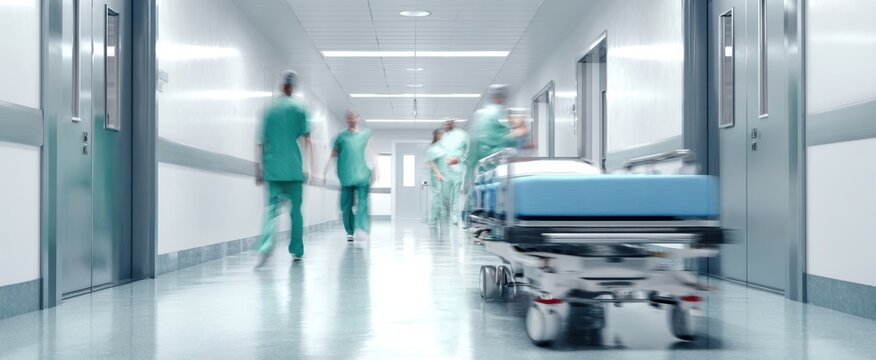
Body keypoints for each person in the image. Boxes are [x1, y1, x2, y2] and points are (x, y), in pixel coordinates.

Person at [254, 70, 313, 267]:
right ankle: (297, 251)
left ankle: (266, 245)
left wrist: (258, 170)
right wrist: (310, 168)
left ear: (281, 86)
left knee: (271, 210)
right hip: (293, 169)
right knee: (296, 212)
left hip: (272, 169)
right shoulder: (300, 108)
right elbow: (307, 140)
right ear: (293, 87)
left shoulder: (269, 110)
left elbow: (260, 142)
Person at [460, 84, 526, 227]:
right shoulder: (501, 112)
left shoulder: (481, 115)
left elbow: (474, 142)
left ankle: (468, 218)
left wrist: (469, 174)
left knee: (480, 187)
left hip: (481, 159)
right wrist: (520, 133)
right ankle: (497, 222)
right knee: (497, 190)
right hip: (495, 158)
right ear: (502, 98)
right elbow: (511, 136)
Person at [325, 111, 378, 242]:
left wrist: (376, 170)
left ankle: (361, 227)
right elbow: (333, 154)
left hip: (362, 175)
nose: (351, 120)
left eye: (354, 117)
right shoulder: (341, 137)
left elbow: (371, 153)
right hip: (346, 176)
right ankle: (350, 231)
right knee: (345, 205)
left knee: (363, 202)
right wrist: (325, 171)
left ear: (358, 119)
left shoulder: (364, 135)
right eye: (349, 118)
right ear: (346, 120)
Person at [439, 118, 469, 225]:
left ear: (453, 123)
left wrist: (459, 159)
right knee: (446, 196)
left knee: (455, 196)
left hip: (457, 169)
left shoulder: (462, 135)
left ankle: (455, 217)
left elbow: (467, 151)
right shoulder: (442, 138)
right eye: (445, 123)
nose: (446, 125)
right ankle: (447, 213)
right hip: (445, 171)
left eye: (449, 123)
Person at [425, 129, 447, 226]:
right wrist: (438, 174)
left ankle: (442, 219)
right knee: (437, 198)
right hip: (437, 176)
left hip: (444, 175)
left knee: (444, 198)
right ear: (437, 135)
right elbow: (431, 162)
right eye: (441, 135)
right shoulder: (433, 148)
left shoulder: (443, 148)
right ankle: (433, 220)